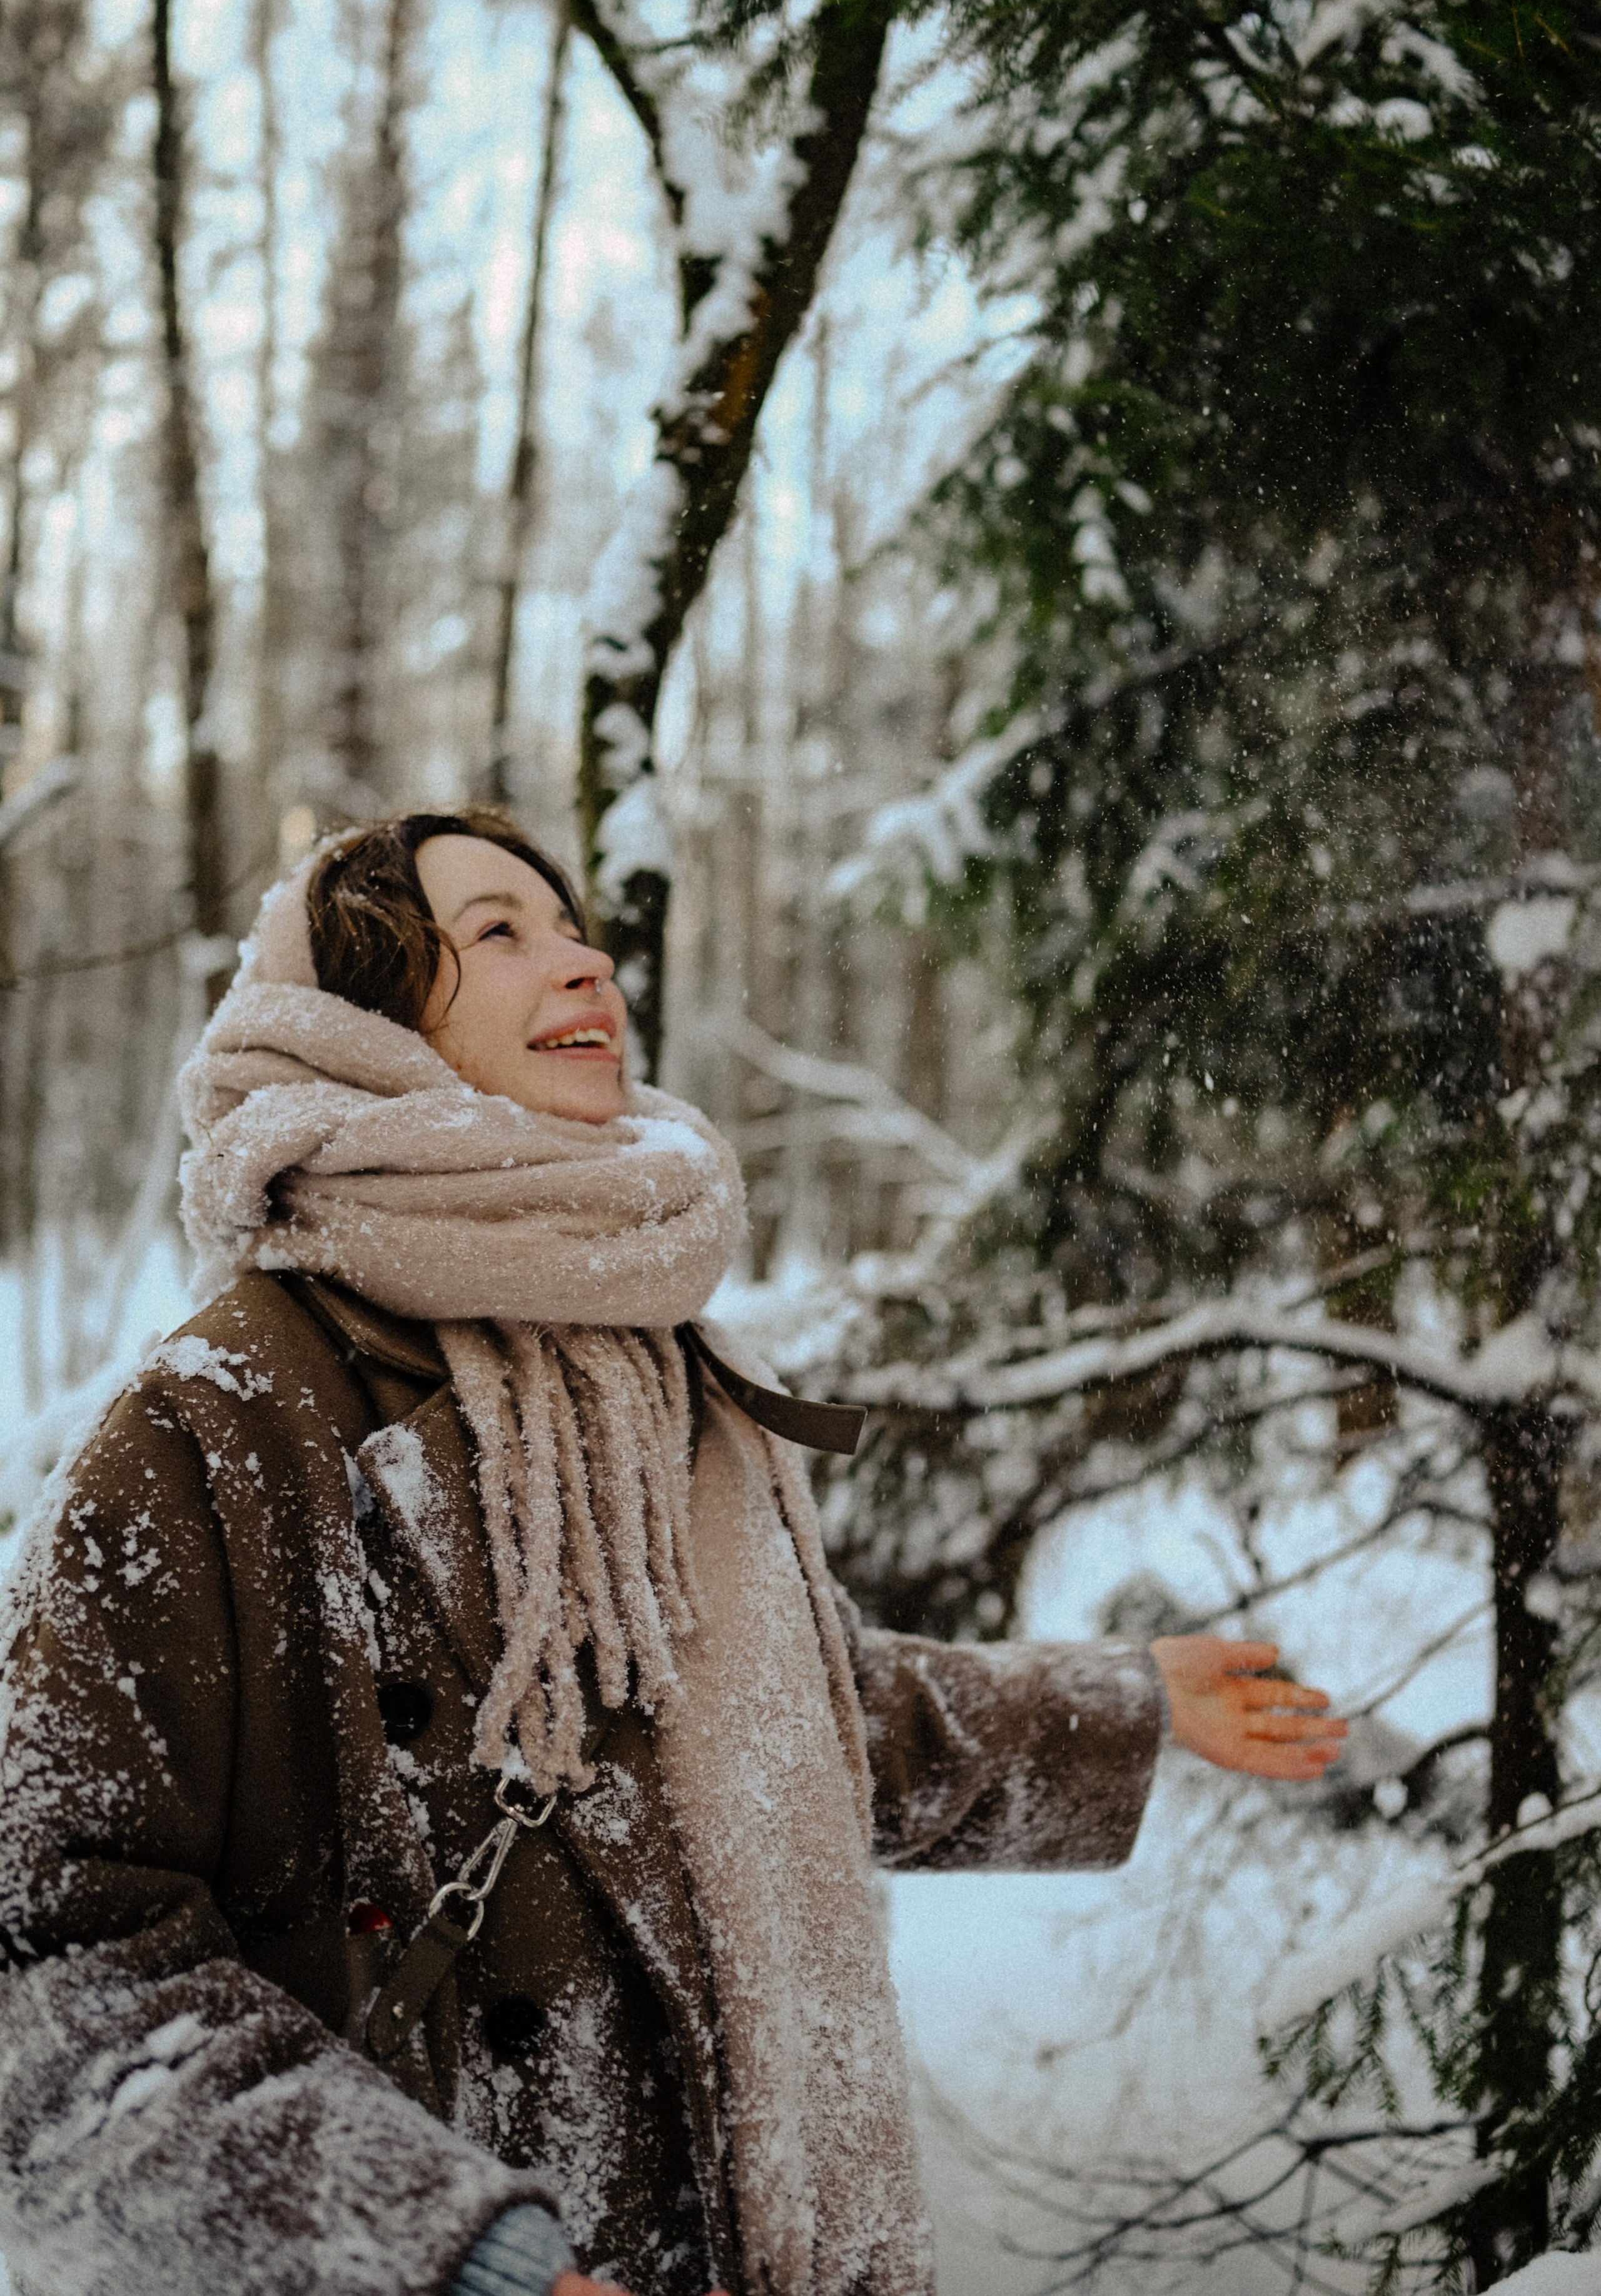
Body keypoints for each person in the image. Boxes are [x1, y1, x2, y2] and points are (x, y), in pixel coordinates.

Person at [0, 807, 1346, 2296]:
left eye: (574, 926)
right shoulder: (223, 1420)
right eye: (499, 931)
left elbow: (800, 1732)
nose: (582, 961)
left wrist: (1122, 1703)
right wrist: (452, 2250)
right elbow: (55, 1958)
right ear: (356, 1028)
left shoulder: (664, 1371)